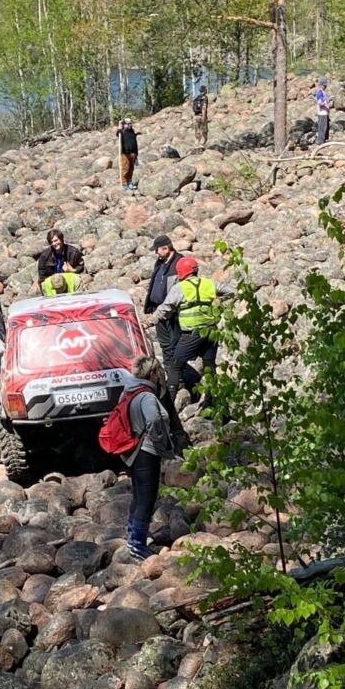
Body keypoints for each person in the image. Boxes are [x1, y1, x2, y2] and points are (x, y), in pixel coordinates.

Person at [145, 256, 235, 401]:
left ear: (181, 273)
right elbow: (232, 292)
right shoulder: (209, 284)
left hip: (192, 334)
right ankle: (213, 401)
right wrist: (220, 302)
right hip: (211, 332)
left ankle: (169, 403)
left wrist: (149, 322)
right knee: (209, 367)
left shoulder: (180, 288)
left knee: (175, 365)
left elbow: (164, 309)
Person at [120, 357, 181, 561]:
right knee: (147, 498)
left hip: (131, 451)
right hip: (147, 451)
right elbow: (154, 419)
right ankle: (137, 544)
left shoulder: (128, 390)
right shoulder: (146, 395)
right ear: (152, 374)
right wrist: (161, 441)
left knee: (138, 495)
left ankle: (132, 532)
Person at [143, 235, 185, 386]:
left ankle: (178, 377)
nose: (156, 253)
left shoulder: (179, 263)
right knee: (165, 344)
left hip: (172, 312)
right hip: (158, 310)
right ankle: (171, 373)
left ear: (167, 248)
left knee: (174, 344)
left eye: (158, 249)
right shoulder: (160, 262)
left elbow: (180, 290)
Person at [116, 118, 139, 191]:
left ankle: (129, 182)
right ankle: (124, 184)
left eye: (130, 123)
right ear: (124, 125)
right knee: (125, 168)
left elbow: (134, 142)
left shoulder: (132, 131)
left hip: (133, 153)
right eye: (128, 124)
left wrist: (136, 155)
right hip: (125, 153)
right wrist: (119, 127)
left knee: (131, 169)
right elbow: (118, 133)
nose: (130, 125)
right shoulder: (122, 132)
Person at [314, 76, 331, 147]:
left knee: (325, 127)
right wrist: (326, 102)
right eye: (325, 85)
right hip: (322, 113)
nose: (325, 86)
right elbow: (320, 102)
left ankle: (323, 139)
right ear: (321, 85)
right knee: (322, 127)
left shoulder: (322, 92)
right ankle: (320, 141)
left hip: (325, 112)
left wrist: (328, 99)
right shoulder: (319, 92)